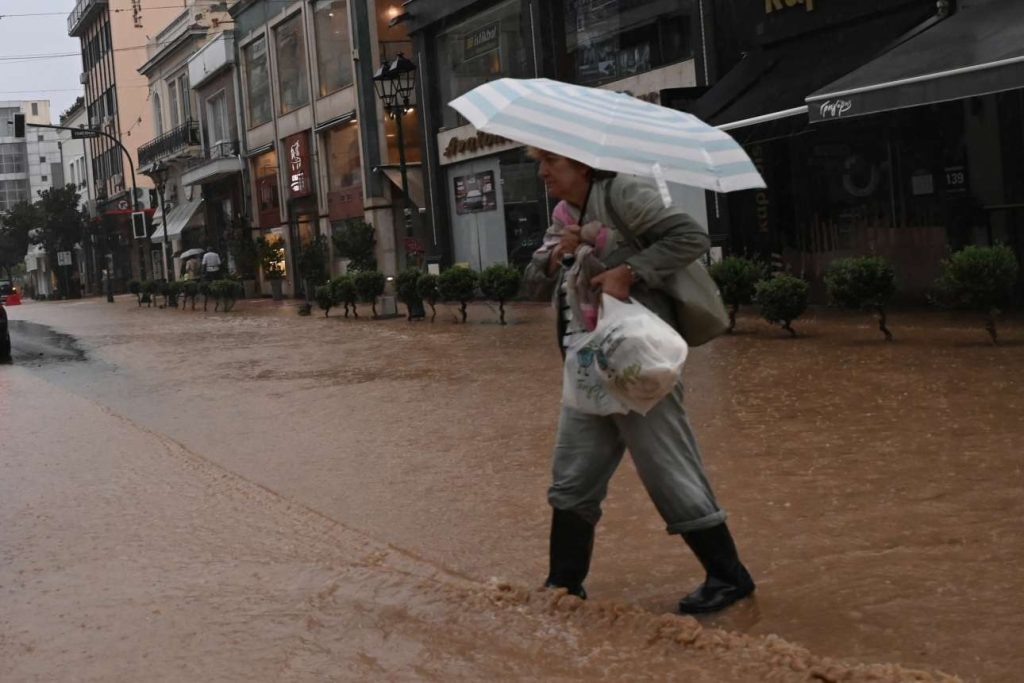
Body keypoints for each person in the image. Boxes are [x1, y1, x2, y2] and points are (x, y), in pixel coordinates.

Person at [524, 148, 755, 614]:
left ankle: (729, 578)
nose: (543, 172)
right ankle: (564, 585)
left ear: (583, 165)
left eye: (551, 162)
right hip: (587, 365)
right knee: (572, 477)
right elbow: (531, 279)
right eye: (540, 163)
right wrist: (558, 255)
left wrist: (629, 271)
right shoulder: (562, 215)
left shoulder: (624, 192)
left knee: (668, 468)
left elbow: (690, 236)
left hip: (637, 360)